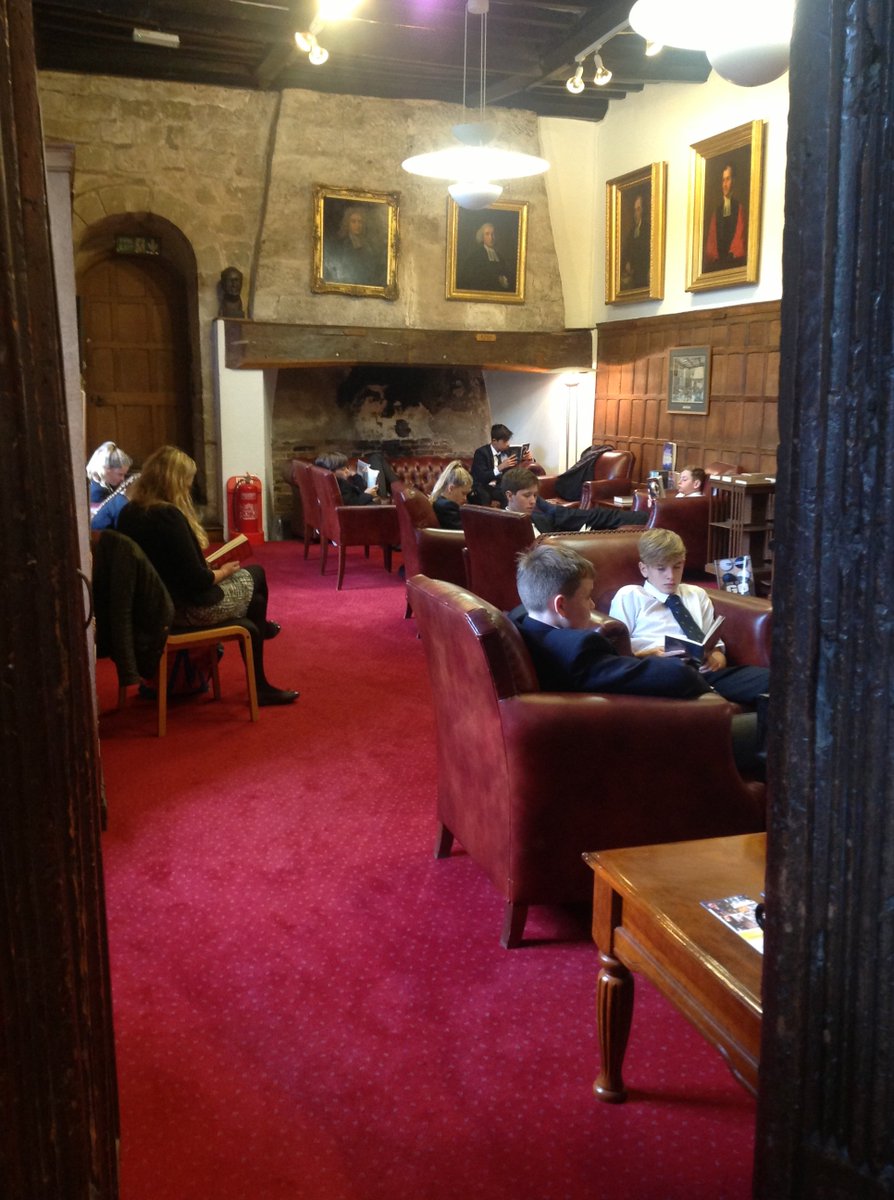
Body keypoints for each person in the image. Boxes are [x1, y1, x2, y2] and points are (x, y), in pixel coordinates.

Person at [117, 445, 297, 706]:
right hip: (185, 609)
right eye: (188, 481)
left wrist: (208, 568)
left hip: (150, 607)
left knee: (255, 603)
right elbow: (198, 581)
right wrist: (222, 570)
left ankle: (261, 646)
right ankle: (260, 671)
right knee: (256, 574)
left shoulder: (129, 513)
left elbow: (168, 564)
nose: (189, 487)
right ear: (176, 481)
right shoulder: (168, 515)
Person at [510, 543, 710, 699]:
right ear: (560, 606)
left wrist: (637, 658)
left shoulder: (517, 620)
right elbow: (682, 677)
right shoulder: (579, 650)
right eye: (587, 596)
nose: (592, 605)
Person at [609, 529, 770, 707]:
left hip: (703, 672)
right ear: (644, 569)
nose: (670, 576)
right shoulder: (630, 596)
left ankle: (708, 689)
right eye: (661, 568)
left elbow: (714, 647)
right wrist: (646, 654)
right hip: (659, 669)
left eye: (677, 566)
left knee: (773, 680)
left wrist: (716, 659)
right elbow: (617, 654)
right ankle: (705, 689)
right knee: (677, 672)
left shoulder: (696, 594)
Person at [503, 466, 648, 533]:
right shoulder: (499, 525)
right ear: (510, 496)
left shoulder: (541, 520)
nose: (533, 501)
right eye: (527, 495)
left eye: (535, 495)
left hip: (555, 522)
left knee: (599, 517)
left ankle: (649, 517)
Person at [470, 424, 534, 507]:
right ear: (494, 441)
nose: (508, 444)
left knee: (516, 493)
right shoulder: (481, 453)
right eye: (505, 441)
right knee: (493, 495)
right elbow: (481, 477)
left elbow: (515, 466)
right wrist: (499, 468)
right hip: (484, 486)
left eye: (508, 441)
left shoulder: (507, 452)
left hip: (499, 486)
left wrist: (527, 459)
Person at [323, 206, 385, 287]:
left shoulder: (370, 246)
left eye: (360, 222)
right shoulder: (340, 244)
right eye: (353, 222)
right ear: (347, 224)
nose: (357, 225)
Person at [704, 161, 747, 271]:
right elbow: (711, 243)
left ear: (734, 181)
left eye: (728, 179)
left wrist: (732, 255)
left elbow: (740, 237)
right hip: (718, 265)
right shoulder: (717, 211)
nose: (725, 184)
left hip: (734, 262)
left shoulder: (739, 207)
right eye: (723, 180)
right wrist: (716, 258)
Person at [86, 441, 138, 530]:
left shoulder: (99, 486)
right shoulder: (98, 493)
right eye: (120, 474)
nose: (123, 479)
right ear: (106, 469)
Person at [457, 221, 513, 292]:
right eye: (487, 234)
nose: (491, 237)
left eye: (493, 234)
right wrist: (497, 279)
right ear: (482, 237)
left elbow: (508, 275)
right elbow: (474, 278)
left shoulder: (500, 257)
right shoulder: (476, 256)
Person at [430, 460, 473, 530]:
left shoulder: (438, 501)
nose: (465, 498)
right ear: (451, 488)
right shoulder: (447, 506)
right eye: (463, 493)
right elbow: (464, 531)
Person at [620, 192, 650, 290]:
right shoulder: (632, 231)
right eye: (634, 210)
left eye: (638, 209)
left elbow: (645, 252)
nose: (636, 214)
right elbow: (627, 250)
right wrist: (628, 262)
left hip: (642, 272)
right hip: (633, 274)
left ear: (643, 210)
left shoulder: (647, 229)